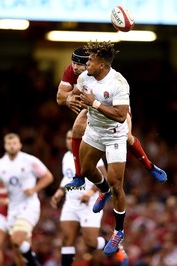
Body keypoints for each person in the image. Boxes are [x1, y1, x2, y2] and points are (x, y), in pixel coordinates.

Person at [56, 46, 167, 190]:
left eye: (79, 64)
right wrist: (68, 99)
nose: (75, 67)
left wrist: (87, 101)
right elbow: (60, 97)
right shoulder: (74, 71)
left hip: (113, 107)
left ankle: (149, 166)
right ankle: (79, 177)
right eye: (73, 63)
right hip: (93, 109)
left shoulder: (104, 74)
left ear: (89, 64)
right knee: (76, 129)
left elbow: (117, 108)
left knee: (126, 136)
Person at [61, 40, 131, 256]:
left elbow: (121, 116)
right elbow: (73, 97)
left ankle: (118, 231)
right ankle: (103, 190)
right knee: (87, 170)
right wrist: (71, 100)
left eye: (90, 60)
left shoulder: (119, 82)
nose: (85, 64)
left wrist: (94, 104)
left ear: (101, 64)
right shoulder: (83, 78)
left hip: (114, 135)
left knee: (117, 184)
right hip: (94, 132)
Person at [50, 129, 128, 266]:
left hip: (89, 203)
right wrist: (60, 191)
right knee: (67, 239)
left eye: (71, 138)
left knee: (91, 243)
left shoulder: (89, 154)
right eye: (67, 138)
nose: (69, 141)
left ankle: (116, 248)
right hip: (71, 203)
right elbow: (68, 177)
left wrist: (90, 193)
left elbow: (104, 178)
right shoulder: (67, 157)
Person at [0, 133, 54, 266]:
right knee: (18, 252)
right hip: (13, 208)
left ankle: (34, 263)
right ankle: (31, 261)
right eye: (9, 144)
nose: (12, 146)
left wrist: (34, 189)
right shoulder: (0, 164)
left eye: (14, 143)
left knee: (16, 240)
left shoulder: (29, 160)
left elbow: (48, 176)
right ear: (5, 146)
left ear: (20, 145)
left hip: (28, 205)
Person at [0, 183, 24, 266]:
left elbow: (29, 194)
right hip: (1, 215)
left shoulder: (23, 173)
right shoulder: (1, 172)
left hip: (17, 216)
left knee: (19, 252)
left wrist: (9, 201)